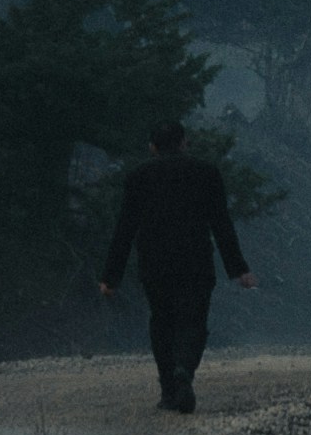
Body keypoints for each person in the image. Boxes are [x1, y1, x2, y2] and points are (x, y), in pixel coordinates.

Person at [96, 121, 253, 414]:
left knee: (162, 322)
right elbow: (221, 224)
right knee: (193, 321)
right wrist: (239, 268)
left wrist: (111, 276)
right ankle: (184, 371)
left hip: (155, 264)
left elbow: (125, 229)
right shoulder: (206, 173)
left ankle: (169, 388)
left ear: (152, 147)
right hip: (196, 262)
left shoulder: (138, 177)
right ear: (183, 143)